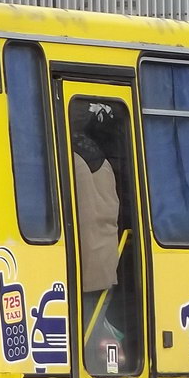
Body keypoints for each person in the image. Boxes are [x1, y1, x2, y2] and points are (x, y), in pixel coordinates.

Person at [71, 107, 120, 331]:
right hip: (104, 262)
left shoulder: (66, 157)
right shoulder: (100, 159)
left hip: (83, 268)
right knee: (94, 330)